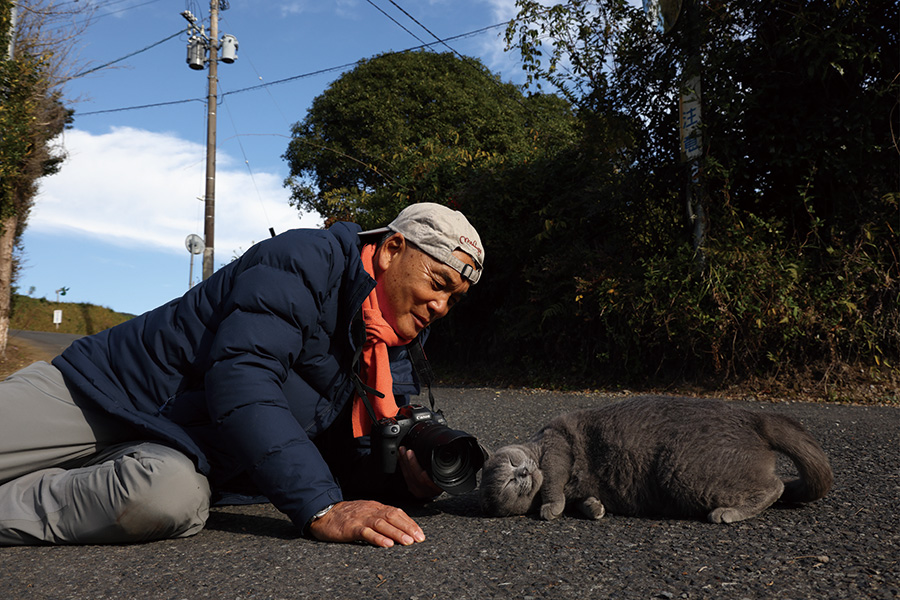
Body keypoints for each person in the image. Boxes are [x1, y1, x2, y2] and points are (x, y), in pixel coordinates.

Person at [0, 202, 484, 548]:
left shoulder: (397, 345)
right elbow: (243, 380)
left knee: (170, 500)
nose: (440, 306)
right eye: (437, 283)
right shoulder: (305, 260)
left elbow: (354, 456)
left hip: (177, 449)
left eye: (454, 300)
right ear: (391, 249)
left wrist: (406, 480)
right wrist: (319, 506)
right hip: (101, 393)